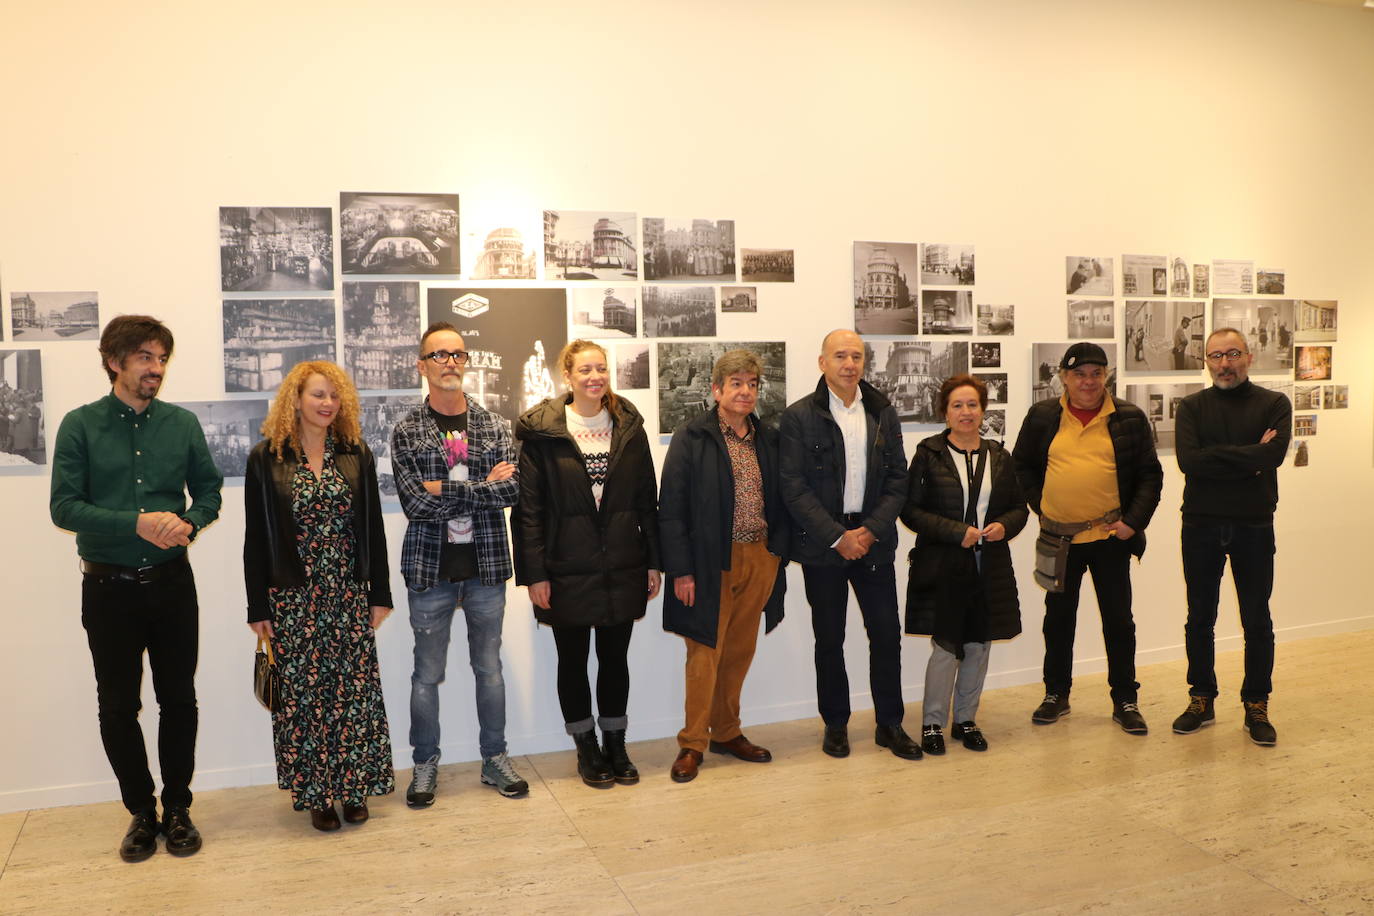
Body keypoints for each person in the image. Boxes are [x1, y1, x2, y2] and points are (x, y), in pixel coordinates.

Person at [50, 315, 222, 862]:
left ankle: (177, 809)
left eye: (161, 358)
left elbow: (211, 492)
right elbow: (64, 507)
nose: (156, 368)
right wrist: (136, 522)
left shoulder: (182, 424)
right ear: (114, 362)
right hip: (109, 591)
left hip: (173, 586)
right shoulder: (79, 425)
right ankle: (141, 814)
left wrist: (190, 523)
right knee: (119, 706)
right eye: (145, 357)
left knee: (179, 700)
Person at [244, 361, 394, 831]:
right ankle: (316, 794)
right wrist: (258, 605)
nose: (327, 403)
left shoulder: (356, 454)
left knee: (353, 694)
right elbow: (256, 536)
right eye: (317, 395)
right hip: (292, 596)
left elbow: (373, 527)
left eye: (333, 396)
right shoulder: (265, 457)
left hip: (348, 593)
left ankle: (353, 789)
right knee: (304, 699)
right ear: (296, 400)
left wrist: (380, 593)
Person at [512, 340, 662, 788]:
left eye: (600, 369)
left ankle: (616, 744)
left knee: (615, 660)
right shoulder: (543, 433)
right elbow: (528, 512)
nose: (594, 377)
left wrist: (653, 562)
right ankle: (586, 749)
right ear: (568, 376)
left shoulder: (629, 426)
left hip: (622, 565)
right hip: (564, 569)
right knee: (572, 662)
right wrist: (535, 574)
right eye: (584, 370)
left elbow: (645, 502)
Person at [391, 322, 528, 806]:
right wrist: (480, 489)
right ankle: (424, 765)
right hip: (430, 573)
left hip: (486, 569)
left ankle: (495, 758)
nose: (450, 362)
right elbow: (414, 504)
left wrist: (444, 489)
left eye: (457, 354)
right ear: (422, 366)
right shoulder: (407, 430)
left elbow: (511, 490)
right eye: (439, 355)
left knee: (489, 670)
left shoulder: (494, 425)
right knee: (425, 675)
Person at [779, 329, 921, 760]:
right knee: (829, 638)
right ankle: (836, 725)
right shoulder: (799, 417)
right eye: (840, 355)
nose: (849, 364)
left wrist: (869, 531)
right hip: (824, 545)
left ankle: (890, 724)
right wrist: (838, 536)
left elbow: (899, 479)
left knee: (886, 635)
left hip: (874, 540)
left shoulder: (882, 411)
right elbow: (793, 486)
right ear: (822, 362)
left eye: (856, 356)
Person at [1012, 342, 1162, 734]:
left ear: (1107, 376)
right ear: (1064, 377)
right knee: (1058, 620)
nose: (1088, 381)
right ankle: (1055, 695)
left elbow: (1150, 474)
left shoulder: (1128, 416)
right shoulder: (1043, 416)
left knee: (1118, 621)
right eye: (1079, 374)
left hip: (1110, 538)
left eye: (1096, 373)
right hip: (1058, 539)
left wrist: (1133, 521)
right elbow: (1022, 465)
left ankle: (1125, 699)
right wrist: (1040, 505)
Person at [659, 349, 790, 783]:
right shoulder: (692, 437)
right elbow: (671, 509)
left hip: (760, 556)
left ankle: (727, 732)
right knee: (704, 653)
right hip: (710, 562)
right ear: (717, 391)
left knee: (738, 652)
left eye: (752, 384)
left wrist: (778, 554)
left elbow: (784, 499)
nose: (746, 391)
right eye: (736, 384)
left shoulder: (768, 438)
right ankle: (693, 742)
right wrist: (681, 570)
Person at [1171, 328, 1291, 745]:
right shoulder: (1190, 407)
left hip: (1254, 524)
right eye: (1216, 356)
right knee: (1199, 618)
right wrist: (1249, 457)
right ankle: (1201, 697)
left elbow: (1272, 455)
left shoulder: (1274, 403)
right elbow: (1189, 462)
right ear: (1206, 361)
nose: (1224, 363)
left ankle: (1256, 703)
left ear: (1249, 357)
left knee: (1257, 619)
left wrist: (1220, 456)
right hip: (1201, 524)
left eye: (1233, 354)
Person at [900, 375, 1027, 755]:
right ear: (945, 411)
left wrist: (1005, 525)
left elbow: (1019, 508)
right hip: (943, 564)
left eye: (972, 405)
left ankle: (966, 720)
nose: (966, 412)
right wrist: (957, 532)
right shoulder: (928, 453)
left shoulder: (1000, 457)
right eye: (957, 405)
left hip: (988, 566)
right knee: (945, 646)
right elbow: (910, 511)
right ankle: (933, 723)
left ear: (983, 410)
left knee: (978, 644)